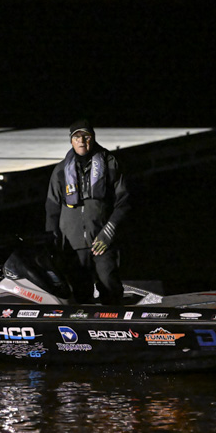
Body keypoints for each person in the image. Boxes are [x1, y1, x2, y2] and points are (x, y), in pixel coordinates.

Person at [45, 120, 130, 304]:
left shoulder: (110, 164)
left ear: (93, 138)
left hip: (102, 240)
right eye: (77, 137)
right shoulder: (60, 170)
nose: (82, 140)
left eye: (86, 136)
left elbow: (123, 203)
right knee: (79, 290)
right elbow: (52, 209)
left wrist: (108, 234)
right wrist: (52, 242)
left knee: (109, 283)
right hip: (73, 245)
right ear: (71, 141)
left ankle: (114, 327)